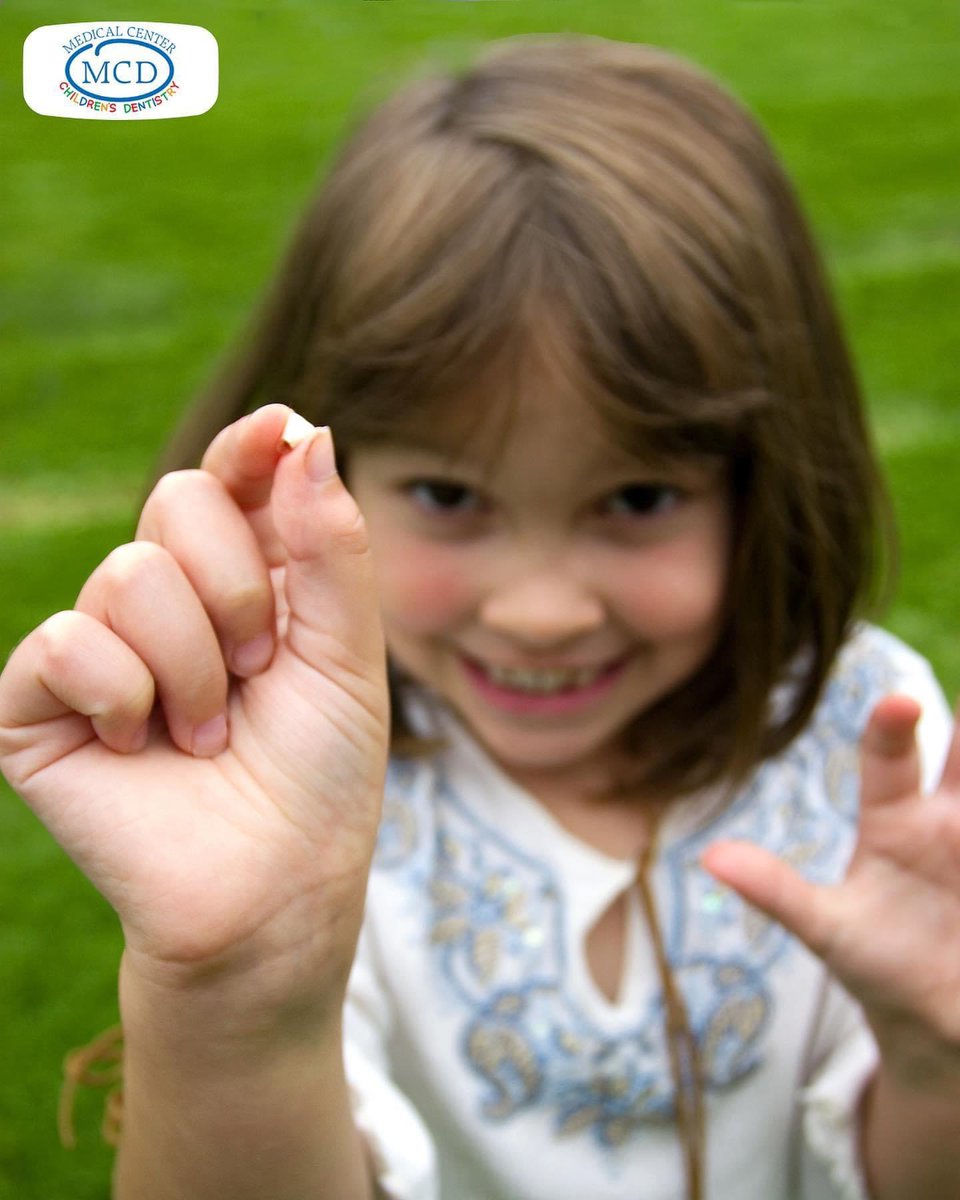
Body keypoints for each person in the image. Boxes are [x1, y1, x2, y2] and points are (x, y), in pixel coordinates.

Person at [2, 33, 959, 1200]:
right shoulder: (295, 785)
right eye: (451, 497)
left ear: (766, 483)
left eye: (639, 497)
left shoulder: (872, 749)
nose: (542, 611)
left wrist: (934, 1059)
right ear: (319, 467)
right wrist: (236, 999)